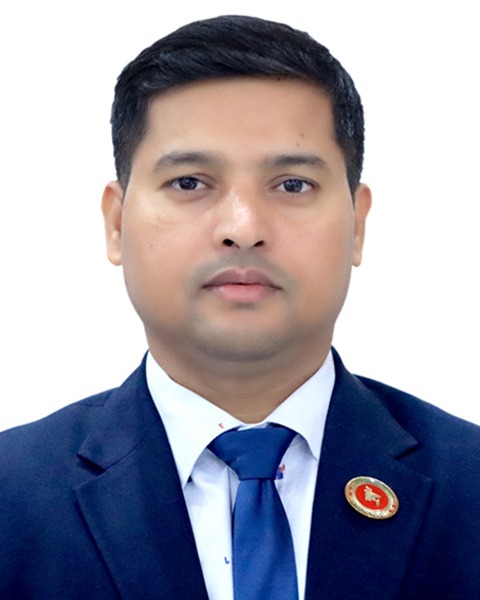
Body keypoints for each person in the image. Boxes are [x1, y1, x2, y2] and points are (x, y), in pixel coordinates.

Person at [0, 14, 479, 600]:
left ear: (357, 225)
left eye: (293, 185)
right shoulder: (11, 497)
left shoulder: (470, 486)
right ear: (116, 223)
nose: (244, 228)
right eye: (189, 182)